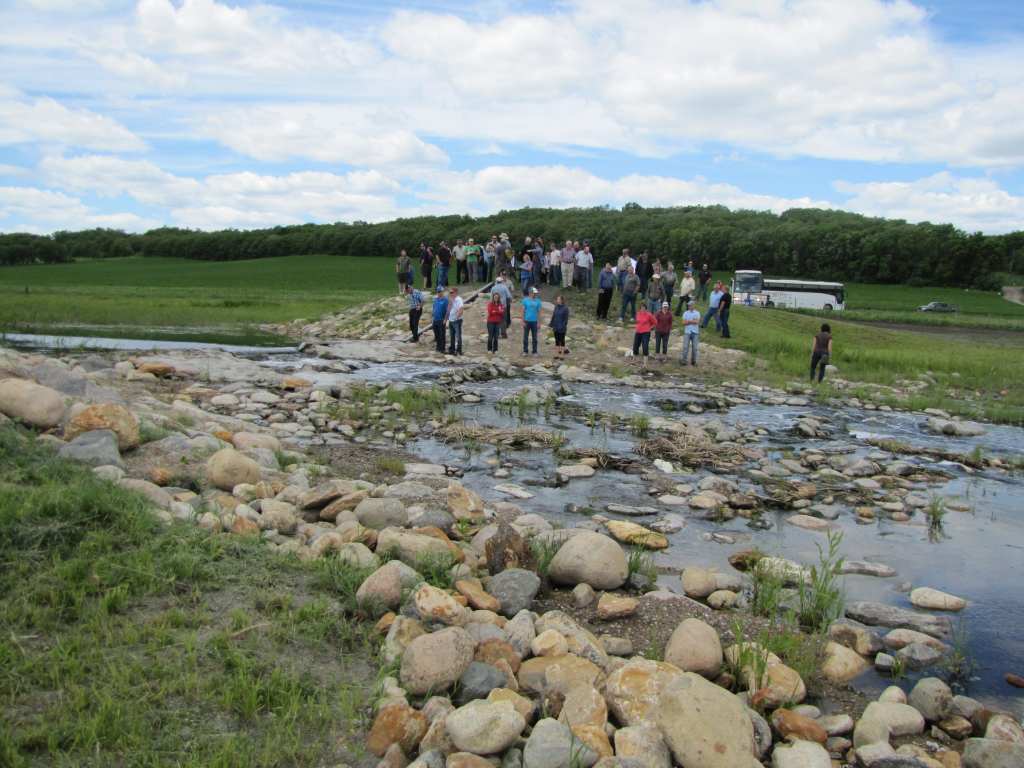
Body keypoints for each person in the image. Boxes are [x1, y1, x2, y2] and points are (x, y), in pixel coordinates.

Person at [632, 304, 656, 368]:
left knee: (645, 346)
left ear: (646, 308)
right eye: (641, 308)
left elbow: (655, 322)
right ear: (640, 308)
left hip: (646, 332)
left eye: (644, 308)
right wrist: (637, 327)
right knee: (635, 346)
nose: (642, 309)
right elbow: (637, 322)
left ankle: (645, 364)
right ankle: (634, 361)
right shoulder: (638, 314)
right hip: (638, 332)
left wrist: (650, 328)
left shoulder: (649, 314)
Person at [521, 286, 543, 355]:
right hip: (527, 321)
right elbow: (523, 311)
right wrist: (523, 321)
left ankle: (534, 351)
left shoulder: (538, 301)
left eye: (535, 293)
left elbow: (539, 312)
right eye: (534, 293)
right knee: (525, 337)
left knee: (535, 337)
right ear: (530, 293)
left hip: (534, 321)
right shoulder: (525, 300)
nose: (535, 294)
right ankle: (525, 351)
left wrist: (539, 322)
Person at [549, 294, 570, 358]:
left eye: (558, 299)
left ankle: (562, 354)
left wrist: (563, 326)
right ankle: (557, 354)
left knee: (562, 340)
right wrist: (551, 324)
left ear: (561, 300)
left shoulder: (565, 308)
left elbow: (566, 319)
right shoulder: (556, 307)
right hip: (555, 326)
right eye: (557, 299)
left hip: (562, 327)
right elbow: (553, 316)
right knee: (557, 340)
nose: (557, 300)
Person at [681, 301, 700, 366]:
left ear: (693, 306)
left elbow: (697, 322)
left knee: (695, 348)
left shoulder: (697, 313)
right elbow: (683, 323)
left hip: (695, 332)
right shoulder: (685, 313)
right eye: (689, 305)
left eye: (690, 305)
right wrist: (692, 321)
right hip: (687, 332)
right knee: (685, 347)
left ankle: (693, 361)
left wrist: (688, 321)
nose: (689, 306)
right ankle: (684, 360)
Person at [447, 287, 464, 355]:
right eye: (450, 293)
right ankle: (452, 349)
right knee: (452, 336)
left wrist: (457, 317)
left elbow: (461, 309)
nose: (450, 294)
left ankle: (459, 350)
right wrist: (447, 318)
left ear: (456, 292)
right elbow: (449, 309)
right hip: (451, 320)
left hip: (456, 320)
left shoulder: (459, 299)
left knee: (458, 336)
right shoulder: (451, 299)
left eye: (452, 292)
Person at [430, 287, 448, 353]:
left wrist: (445, 319)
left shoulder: (445, 300)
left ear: (442, 292)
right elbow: (434, 308)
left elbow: (447, 311)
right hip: (435, 319)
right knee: (436, 334)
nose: (438, 293)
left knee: (442, 334)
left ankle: (442, 348)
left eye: (440, 291)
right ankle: (438, 347)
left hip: (441, 319)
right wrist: (432, 317)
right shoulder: (436, 299)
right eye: (438, 292)